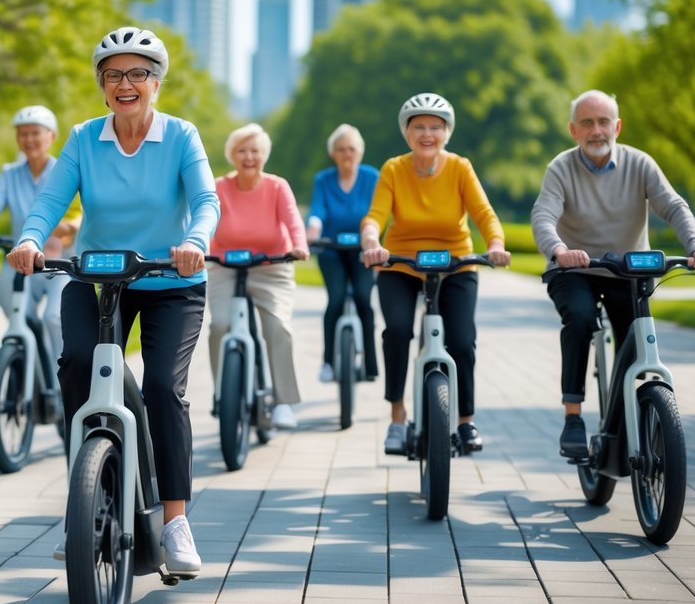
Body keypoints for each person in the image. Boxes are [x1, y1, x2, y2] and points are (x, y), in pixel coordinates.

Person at [6, 26, 219, 577]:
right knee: (77, 362)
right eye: (114, 74)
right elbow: (51, 199)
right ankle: (88, 491)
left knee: (162, 390)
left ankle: (174, 521)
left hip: (171, 280)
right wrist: (31, 238)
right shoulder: (82, 138)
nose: (126, 83)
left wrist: (195, 243)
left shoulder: (180, 136)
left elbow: (204, 200)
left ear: (156, 83)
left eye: (138, 73)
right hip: (98, 278)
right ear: (102, 86)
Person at [531, 89, 695, 459]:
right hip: (576, 268)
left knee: (634, 345)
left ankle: (628, 419)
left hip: (628, 272)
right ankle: (573, 417)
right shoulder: (560, 168)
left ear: (617, 126)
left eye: (603, 122)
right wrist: (559, 251)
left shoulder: (640, 163)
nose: (596, 130)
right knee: (581, 319)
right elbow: (543, 216)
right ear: (574, 130)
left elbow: (673, 206)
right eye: (587, 122)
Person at [360, 93, 511, 456]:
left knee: (461, 341)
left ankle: (465, 420)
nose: (427, 134)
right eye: (419, 127)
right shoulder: (394, 169)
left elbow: (485, 214)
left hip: (455, 264)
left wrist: (494, 243)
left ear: (447, 132)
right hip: (401, 263)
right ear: (407, 133)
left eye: (435, 127)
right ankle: (397, 417)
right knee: (397, 331)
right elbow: (375, 217)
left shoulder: (460, 167)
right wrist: (370, 242)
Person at [0, 105, 79, 360]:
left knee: (54, 318)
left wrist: (71, 227)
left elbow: (79, 211)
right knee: (14, 308)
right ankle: (30, 349)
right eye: (23, 134)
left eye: (35, 133)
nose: (29, 140)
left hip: (59, 261)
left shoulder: (64, 171)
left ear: (51, 137)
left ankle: (61, 386)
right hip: (20, 258)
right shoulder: (9, 174)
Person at [208, 123, 308, 429]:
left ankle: (283, 402)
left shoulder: (277, 186)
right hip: (224, 265)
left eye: (255, 150)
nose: (249, 156)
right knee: (220, 325)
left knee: (278, 327)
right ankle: (223, 394)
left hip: (271, 266)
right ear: (232, 155)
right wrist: (194, 247)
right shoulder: (219, 187)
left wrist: (299, 246)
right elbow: (203, 218)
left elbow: (292, 221)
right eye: (242, 150)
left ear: (264, 155)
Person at [305, 124, 380, 385]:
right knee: (335, 299)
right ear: (333, 154)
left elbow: (378, 212)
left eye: (351, 149)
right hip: (332, 249)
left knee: (363, 298)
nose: (346, 154)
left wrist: (375, 241)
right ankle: (327, 362)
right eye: (340, 149)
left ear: (360, 152)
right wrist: (312, 230)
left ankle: (371, 363)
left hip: (364, 250)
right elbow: (317, 211)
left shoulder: (372, 177)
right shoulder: (323, 180)